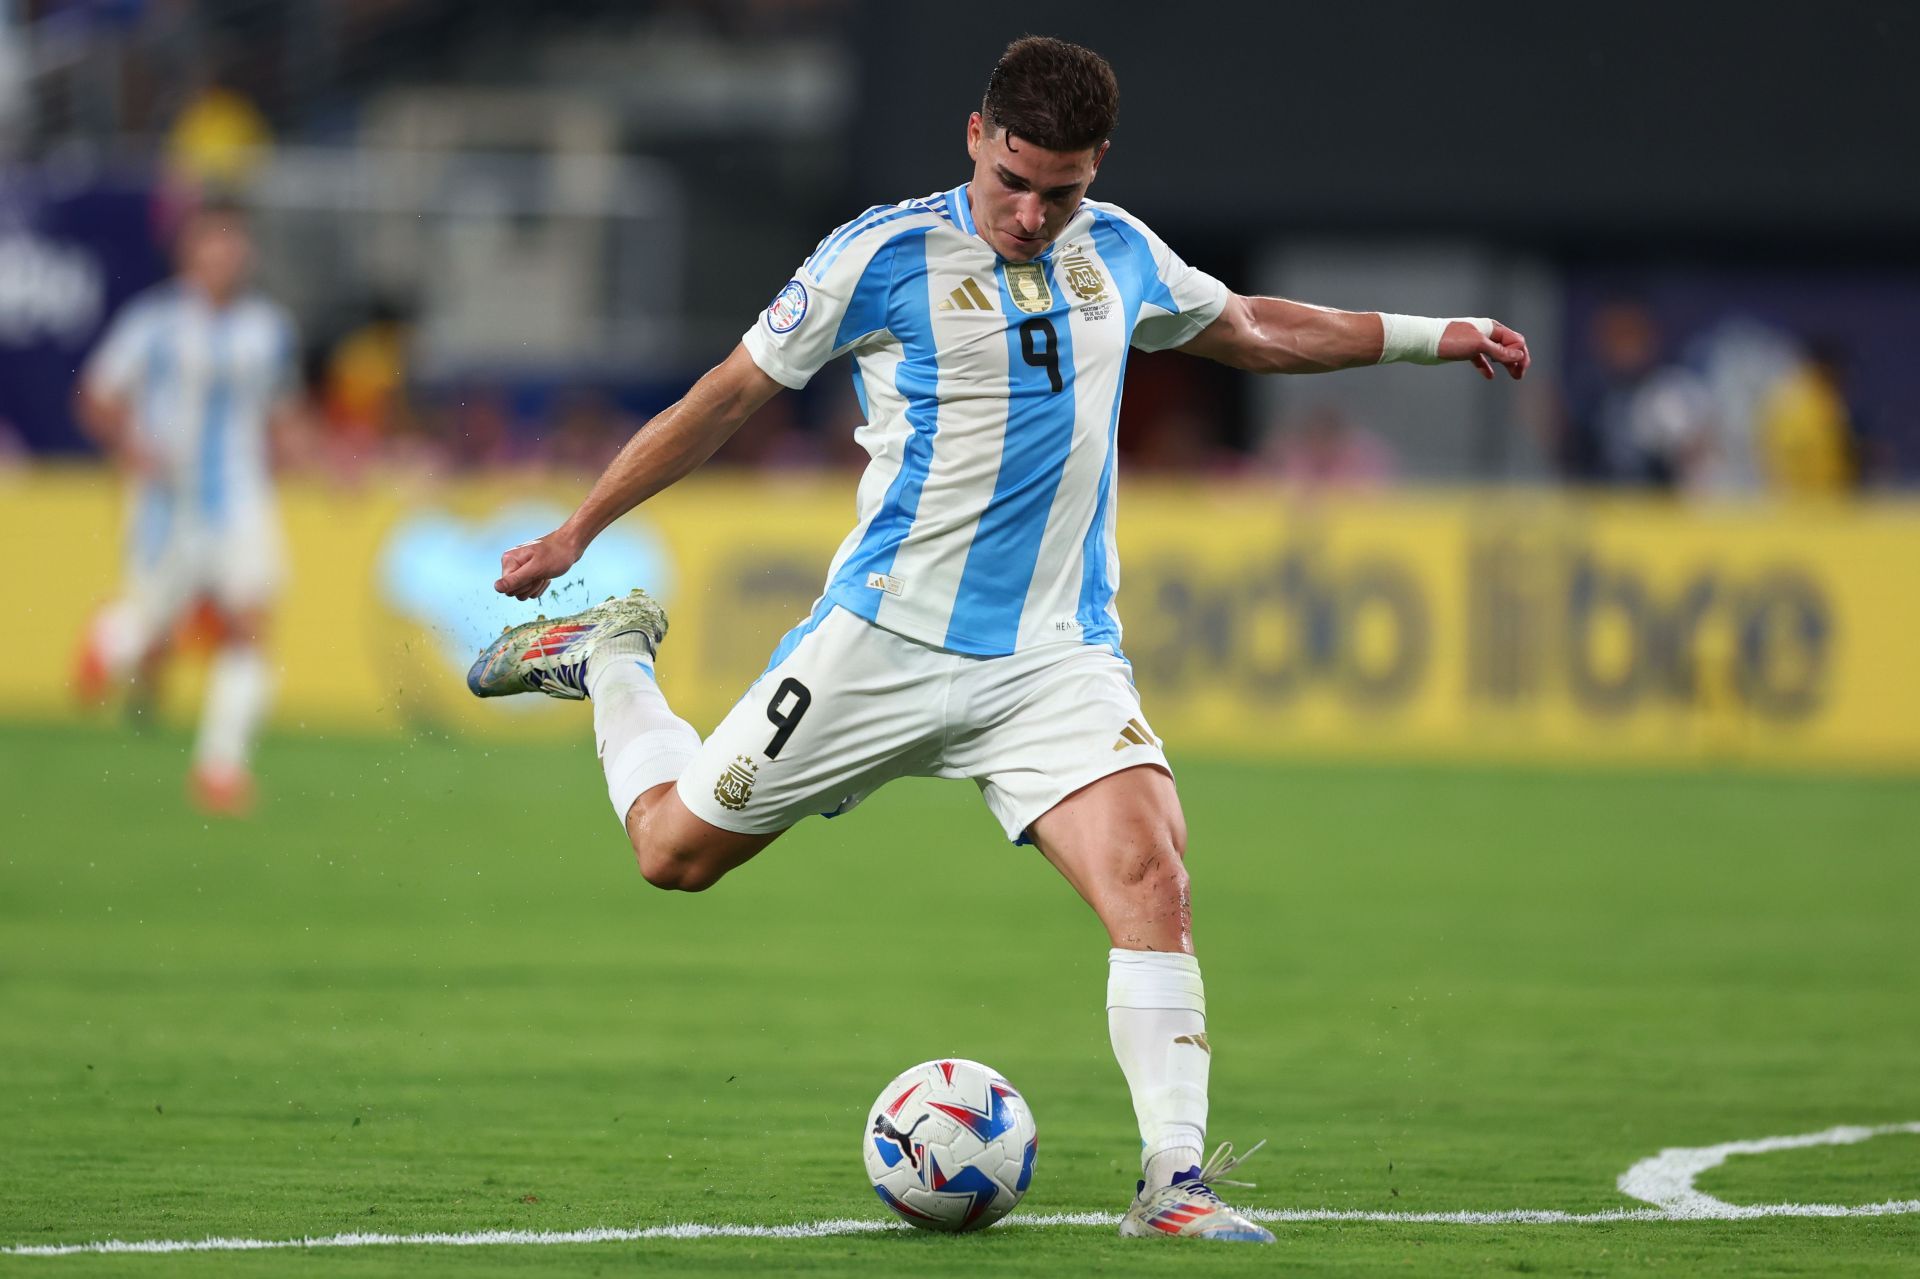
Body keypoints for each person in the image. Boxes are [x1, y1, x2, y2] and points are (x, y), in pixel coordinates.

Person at [468, 36, 1528, 1243]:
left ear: (1097, 169)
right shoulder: (878, 256)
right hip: (879, 643)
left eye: (1061, 190)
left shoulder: (1118, 250)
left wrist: (1432, 330)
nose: (1032, 213)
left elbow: (1250, 328)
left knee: (1154, 878)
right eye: (1013, 181)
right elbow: (726, 396)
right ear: (976, 137)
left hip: (1052, 661)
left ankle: (1173, 1182)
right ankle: (610, 654)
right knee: (673, 852)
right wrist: (577, 527)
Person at [74, 199, 302, 815]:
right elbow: (95, 397)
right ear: (189, 253)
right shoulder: (154, 323)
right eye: (212, 244)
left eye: (233, 244)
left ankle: (220, 769)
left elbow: (281, 417)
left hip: (242, 499)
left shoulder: (269, 329)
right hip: (167, 505)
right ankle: (111, 639)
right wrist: (132, 447)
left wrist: (320, 463)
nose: (224, 257)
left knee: (252, 624)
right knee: (152, 629)